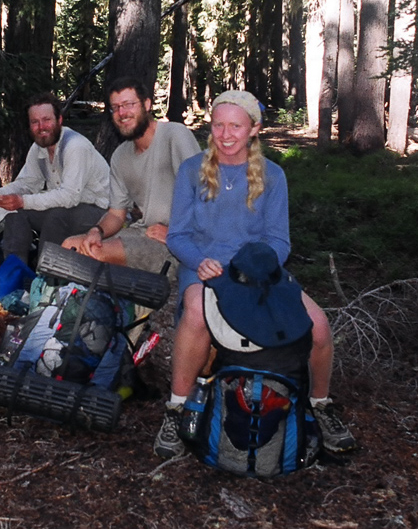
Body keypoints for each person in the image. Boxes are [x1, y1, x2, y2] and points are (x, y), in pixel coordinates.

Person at [153, 89, 357, 458]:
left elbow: (279, 242)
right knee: (196, 312)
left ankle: (320, 405)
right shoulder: (192, 170)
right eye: (219, 125)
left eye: (236, 126)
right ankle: (177, 409)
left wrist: (251, 269)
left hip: (257, 272)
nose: (226, 134)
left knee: (319, 326)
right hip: (204, 268)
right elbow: (178, 236)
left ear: (254, 129)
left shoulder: (273, 175)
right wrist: (200, 261)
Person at [62, 77, 200, 276]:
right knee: (70, 246)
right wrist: (96, 231)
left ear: (147, 104)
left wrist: (175, 235)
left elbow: (204, 195)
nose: (122, 113)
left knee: (94, 253)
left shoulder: (175, 135)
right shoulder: (120, 156)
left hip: (175, 244)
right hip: (143, 232)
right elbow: (116, 215)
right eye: (115, 107)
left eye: (128, 104)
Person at [0, 93, 110, 270]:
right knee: (16, 213)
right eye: (35, 122)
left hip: (103, 212)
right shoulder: (38, 148)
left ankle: (46, 275)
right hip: (69, 208)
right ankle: (14, 272)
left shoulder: (75, 146)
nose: (41, 127)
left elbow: (69, 197)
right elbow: (28, 183)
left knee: (57, 217)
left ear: (59, 120)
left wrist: (23, 201)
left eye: (46, 120)